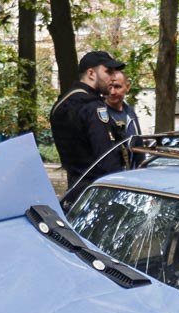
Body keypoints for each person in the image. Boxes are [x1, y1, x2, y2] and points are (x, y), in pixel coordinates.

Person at [49, 50, 125, 202]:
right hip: (98, 195)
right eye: (108, 72)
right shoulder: (93, 107)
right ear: (91, 73)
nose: (113, 77)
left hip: (75, 190)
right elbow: (107, 159)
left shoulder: (62, 103)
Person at [103, 70, 141, 167]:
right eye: (109, 87)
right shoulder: (98, 113)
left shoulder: (131, 114)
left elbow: (139, 148)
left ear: (127, 87)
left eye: (117, 87)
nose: (112, 92)